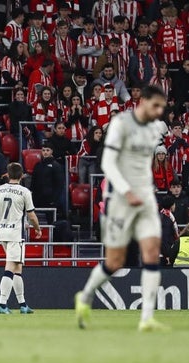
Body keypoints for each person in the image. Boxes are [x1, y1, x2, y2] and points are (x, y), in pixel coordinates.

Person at [75, 85, 169, 332]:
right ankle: (85, 296)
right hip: (121, 199)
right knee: (115, 261)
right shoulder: (121, 125)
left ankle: (147, 318)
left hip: (145, 198)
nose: (159, 111)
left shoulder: (154, 128)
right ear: (143, 101)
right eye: (156, 105)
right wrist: (127, 190)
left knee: (151, 253)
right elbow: (108, 163)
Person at [0, 162, 41, 314]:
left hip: (3, 232)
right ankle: (2, 304)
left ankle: (23, 304)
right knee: (10, 266)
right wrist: (37, 228)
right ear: (22, 175)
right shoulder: (24, 192)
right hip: (16, 234)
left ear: (7, 175)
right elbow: (31, 215)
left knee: (17, 268)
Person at [30, 142, 65, 218]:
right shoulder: (37, 165)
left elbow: (59, 184)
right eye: (43, 150)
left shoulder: (56, 166)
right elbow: (33, 182)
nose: (45, 152)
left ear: (51, 151)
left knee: (50, 221)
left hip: (50, 199)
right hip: (37, 198)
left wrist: (54, 199)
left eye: (47, 150)